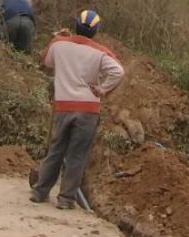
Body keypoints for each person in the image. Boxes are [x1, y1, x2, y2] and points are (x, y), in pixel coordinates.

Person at [30, 10, 125, 209]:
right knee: (77, 155)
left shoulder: (59, 44)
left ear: (75, 26)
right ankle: (65, 200)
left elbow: (46, 61)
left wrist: (57, 38)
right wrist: (102, 89)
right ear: (96, 31)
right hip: (88, 109)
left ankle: (39, 192)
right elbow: (118, 71)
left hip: (63, 105)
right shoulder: (100, 51)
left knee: (55, 150)